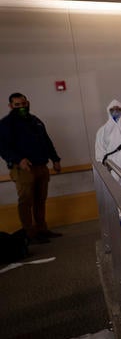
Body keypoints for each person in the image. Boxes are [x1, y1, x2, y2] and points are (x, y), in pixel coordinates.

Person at [0, 93, 63, 244]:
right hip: (23, 169)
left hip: (41, 166)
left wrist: (55, 159)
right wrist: (18, 159)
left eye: (23, 104)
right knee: (26, 201)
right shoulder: (6, 124)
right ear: (10, 106)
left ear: (28, 103)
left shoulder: (35, 121)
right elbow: (3, 148)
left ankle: (42, 229)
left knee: (40, 200)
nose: (21, 107)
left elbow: (46, 141)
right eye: (17, 105)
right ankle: (29, 233)